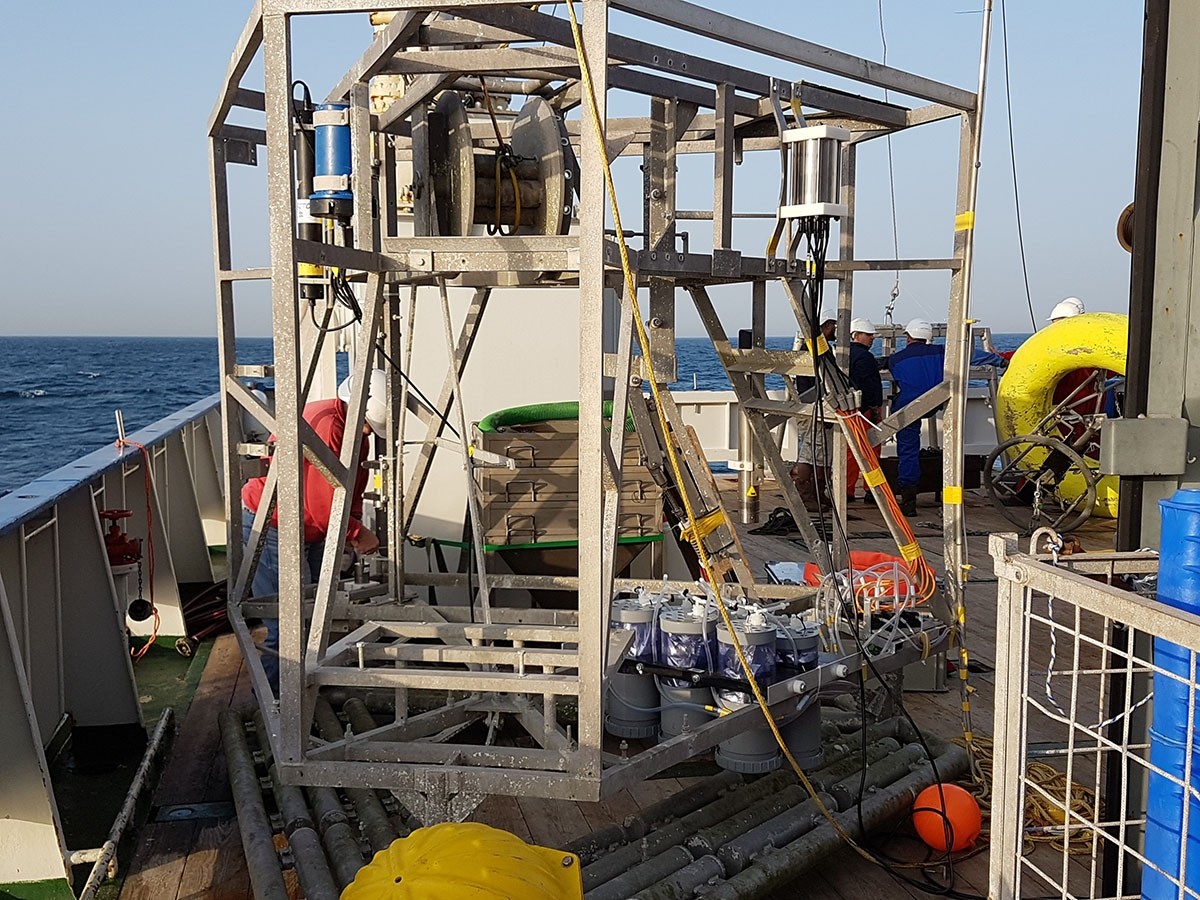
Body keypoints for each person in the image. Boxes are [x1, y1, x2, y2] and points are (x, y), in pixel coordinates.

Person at [242, 369, 386, 692]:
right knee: (290, 624)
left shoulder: (354, 432)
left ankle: (303, 691)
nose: (367, 431)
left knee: (314, 614)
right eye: (367, 424)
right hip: (274, 524)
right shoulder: (328, 426)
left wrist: (352, 524)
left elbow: (351, 487)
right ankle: (276, 701)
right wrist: (357, 534)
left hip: (308, 527)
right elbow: (323, 505)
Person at [886, 319, 943, 516]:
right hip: (937, 402)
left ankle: (909, 501)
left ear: (908, 337)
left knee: (908, 451)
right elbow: (972, 356)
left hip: (908, 408)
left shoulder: (896, 359)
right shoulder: (942, 351)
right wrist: (1000, 360)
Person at [790, 309, 838, 506]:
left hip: (809, 407)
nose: (835, 329)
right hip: (816, 408)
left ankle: (813, 493)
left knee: (813, 452)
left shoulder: (810, 349)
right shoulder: (818, 351)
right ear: (826, 326)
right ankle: (810, 494)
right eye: (833, 325)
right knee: (817, 454)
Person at [845, 318, 883, 502]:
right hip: (866, 411)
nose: (871, 338)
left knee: (850, 451)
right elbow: (870, 385)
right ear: (856, 335)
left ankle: (846, 490)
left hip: (849, 410)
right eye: (868, 335)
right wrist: (874, 409)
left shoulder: (842, 354)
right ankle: (872, 490)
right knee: (872, 451)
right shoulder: (866, 358)